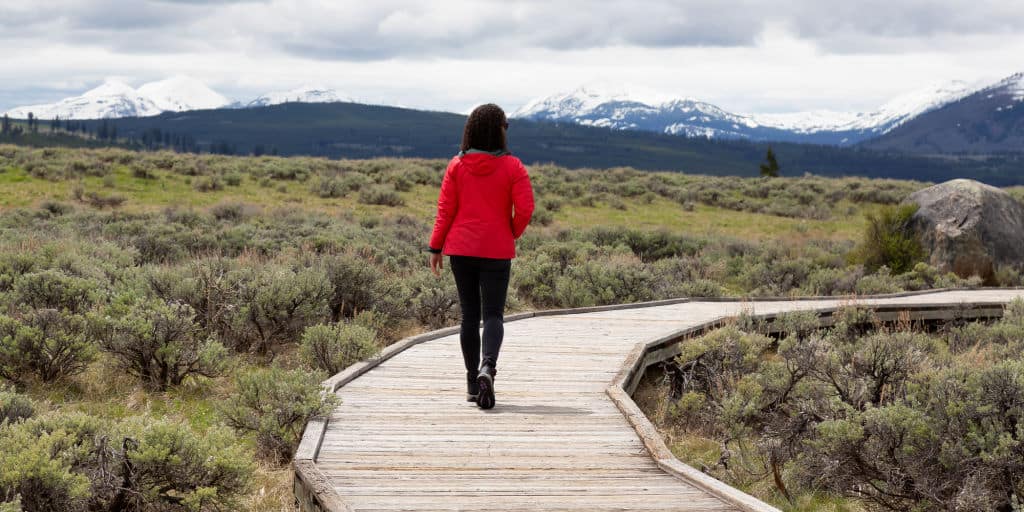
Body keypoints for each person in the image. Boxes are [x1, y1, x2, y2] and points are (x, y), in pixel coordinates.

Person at [428, 103, 535, 410]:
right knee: (493, 315)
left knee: (469, 316)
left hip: (460, 250)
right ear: (499, 130)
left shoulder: (456, 165)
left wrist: (435, 247)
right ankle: (488, 367)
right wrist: (510, 232)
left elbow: (445, 211)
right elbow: (525, 209)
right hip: (496, 250)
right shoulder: (514, 166)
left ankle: (473, 385)